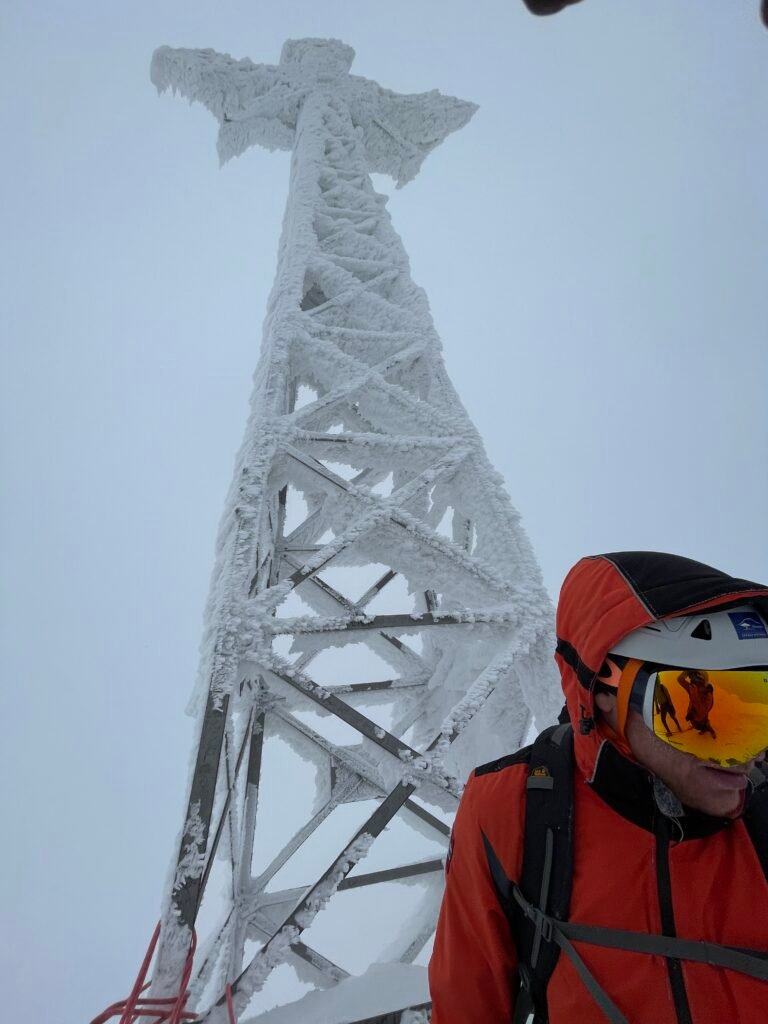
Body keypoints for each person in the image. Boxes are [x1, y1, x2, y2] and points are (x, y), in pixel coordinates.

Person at [429, 551, 768, 1023]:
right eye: (703, 715)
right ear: (604, 694)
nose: (745, 755)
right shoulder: (516, 809)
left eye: (761, 713)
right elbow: (468, 1003)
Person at [677, 669, 717, 738]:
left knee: (705, 724)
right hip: (694, 718)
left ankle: (710, 730)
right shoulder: (692, 688)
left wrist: (692, 714)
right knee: (701, 725)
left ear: (703, 681)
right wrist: (687, 671)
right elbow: (680, 679)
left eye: (697, 680)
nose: (694, 683)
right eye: (692, 679)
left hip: (700, 717)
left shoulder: (707, 694)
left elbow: (703, 712)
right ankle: (705, 729)